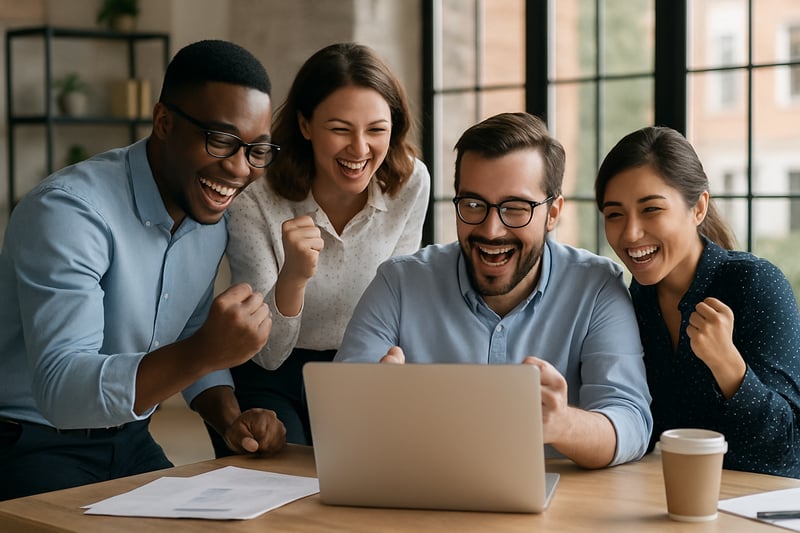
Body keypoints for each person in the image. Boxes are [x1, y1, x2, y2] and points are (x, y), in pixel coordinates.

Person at [0, 40, 287, 500]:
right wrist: (205, 351)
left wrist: (231, 419)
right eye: (220, 140)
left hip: (130, 439)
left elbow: (190, 330)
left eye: (256, 149)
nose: (239, 168)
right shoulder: (69, 213)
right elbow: (60, 388)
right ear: (164, 122)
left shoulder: (209, 213)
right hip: (30, 444)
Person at [335, 112, 652, 469]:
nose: (491, 230)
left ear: (553, 213)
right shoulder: (399, 284)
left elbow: (631, 421)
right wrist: (369, 403)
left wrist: (563, 425)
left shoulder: (596, 287)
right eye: (473, 205)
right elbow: (337, 412)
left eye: (515, 208)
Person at [207, 42, 430, 454]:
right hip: (269, 373)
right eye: (340, 129)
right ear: (306, 126)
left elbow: (399, 296)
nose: (360, 149)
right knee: (282, 492)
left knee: (370, 484)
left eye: (376, 130)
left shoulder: (411, 183)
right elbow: (268, 353)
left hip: (362, 368)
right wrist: (293, 276)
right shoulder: (256, 195)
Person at [595, 126, 800, 478]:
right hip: (675, 499)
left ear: (698, 207)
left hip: (761, 506)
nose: (630, 234)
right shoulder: (636, 299)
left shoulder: (754, 284)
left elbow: (789, 447)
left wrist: (728, 366)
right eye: (615, 214)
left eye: (651, 210)